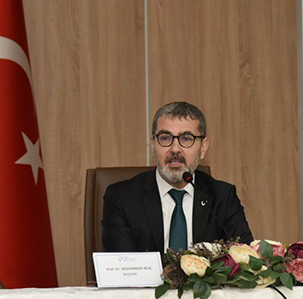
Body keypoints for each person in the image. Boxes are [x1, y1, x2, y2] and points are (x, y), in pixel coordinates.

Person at [102, 102, 253, 254]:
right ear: (153, 144)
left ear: (203, 147)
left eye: (186, 139)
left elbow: (244, 260)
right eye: (165, 138)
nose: (175, 149)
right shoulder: (122, 197)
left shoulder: (223, 197)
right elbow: (123, 267)